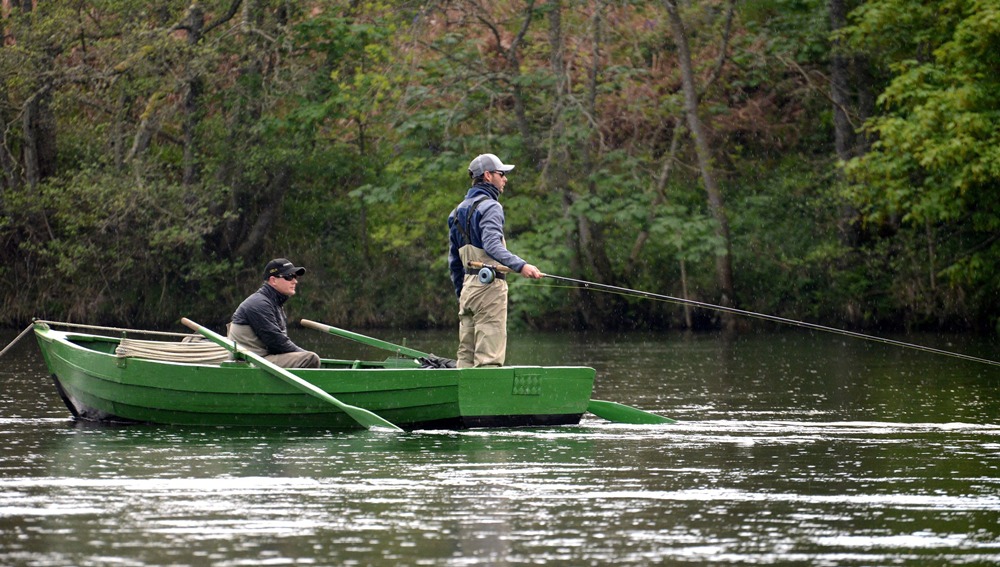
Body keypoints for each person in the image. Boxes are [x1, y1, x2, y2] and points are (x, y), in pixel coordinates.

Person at [448, 153, 542, 368]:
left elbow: (454, 261)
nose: (505, 179)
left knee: (466, 357)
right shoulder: (491, 207)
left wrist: (461, 293)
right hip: (489, 289)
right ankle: (485, 401)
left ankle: (463, 400)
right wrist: (522, 265)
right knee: (488, 358)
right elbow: (492, 245)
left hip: (468, 291)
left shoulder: (456, 212)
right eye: (502, 174)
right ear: (488, 176)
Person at [228, 258, 321, 369]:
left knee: (308, 357)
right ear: (273, 280)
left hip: (263, 358)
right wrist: (303, 354)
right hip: (251, 363)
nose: (295, 281)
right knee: (310, 358)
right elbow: (276, 343)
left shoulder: (274, 302)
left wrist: (301, 354)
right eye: (289, 277)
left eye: (295, 277)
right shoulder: (259, 304)